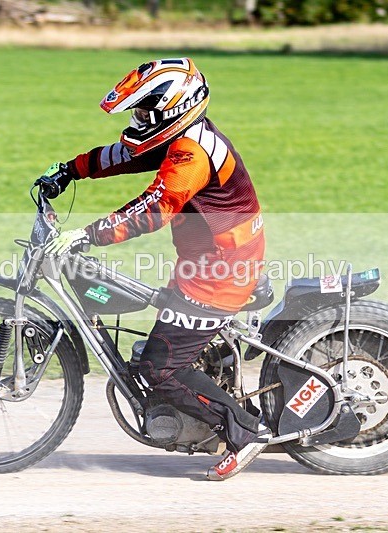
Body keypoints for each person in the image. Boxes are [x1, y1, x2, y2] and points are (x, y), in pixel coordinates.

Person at [40, 58, 271, 481]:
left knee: (158, 369)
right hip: (207, 261)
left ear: (172, 108)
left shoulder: (192, 154)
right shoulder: (181, 135)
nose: (139, 120)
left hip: (220, 272)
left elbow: (155, 207)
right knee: (160, 343)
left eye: (146, 112)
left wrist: (87, 234)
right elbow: (125, 155)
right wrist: (70, 170)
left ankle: (245, 431)